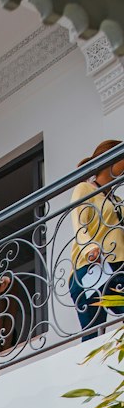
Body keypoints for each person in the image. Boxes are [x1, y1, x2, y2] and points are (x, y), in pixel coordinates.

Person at [69, 139, 124, 340]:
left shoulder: (116, 200)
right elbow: (79, 223)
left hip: (117, 266)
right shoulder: (85, 189)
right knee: (92, 334)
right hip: (90, 267)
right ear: (111, 160)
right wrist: (89, 248)